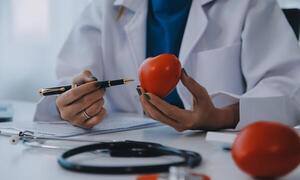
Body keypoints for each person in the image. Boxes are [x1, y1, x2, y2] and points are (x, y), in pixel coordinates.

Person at [35, 0, 300, 131]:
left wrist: (223, 117)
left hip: (218, 164)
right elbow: (70, 80)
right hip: (122, 157)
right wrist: (70, 104)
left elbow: (288, 87)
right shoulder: (105, 7)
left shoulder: (248, 4)